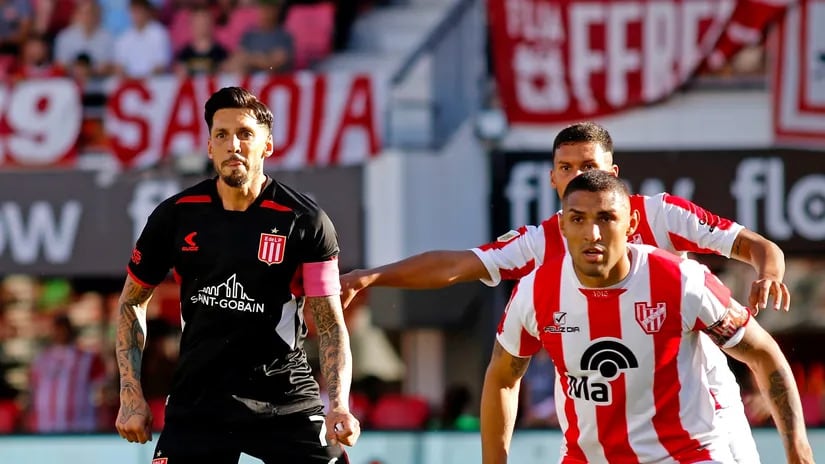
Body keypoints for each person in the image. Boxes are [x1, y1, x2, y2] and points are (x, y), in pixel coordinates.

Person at [341, 122, 787, 462]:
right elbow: (458, 265)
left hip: (699, 416)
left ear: (613, 176)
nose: (577, 176)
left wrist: (767, 272)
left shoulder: (662, 215)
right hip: (600, 429)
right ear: (553, 179)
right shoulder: (541, 244)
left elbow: (756, 246)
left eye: (589, 167)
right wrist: (372, 276)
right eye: (566, 168)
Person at [481, 170, 814, 464]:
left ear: (631, 224)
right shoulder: (535, 291)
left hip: (685, 456)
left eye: (606, 218)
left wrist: (799, 453)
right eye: (578, 219)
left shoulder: (682, 281)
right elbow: (502, 378)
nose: (592, 233)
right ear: (563, 226)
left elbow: (762, 353)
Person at [114, 86, 359, 463]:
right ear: (210, 147)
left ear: (267, 146)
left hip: (283, 397)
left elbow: (329, 324)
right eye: (221, 135)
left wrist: (339, 403)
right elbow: (132, 303)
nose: (233, 145)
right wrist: (131, 394)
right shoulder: (175, 216)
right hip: (198, 399)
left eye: (245, 134)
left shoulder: (306, 222)